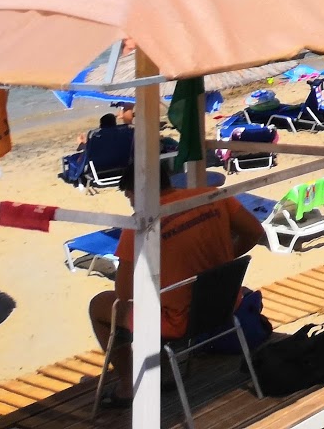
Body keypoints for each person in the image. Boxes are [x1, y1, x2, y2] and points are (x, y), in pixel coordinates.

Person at [90, 162, 265, 401]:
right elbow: (254, 231)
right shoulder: (212, 197)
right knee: (160, 296)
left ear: (137, 191)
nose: (130, 203)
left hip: (181, 322)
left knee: (102, 306)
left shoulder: (141, 224)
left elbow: (123, 293)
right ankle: (160, 369)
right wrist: (221, 262)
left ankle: (128, 386)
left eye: (129, 196)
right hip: (225, 305)